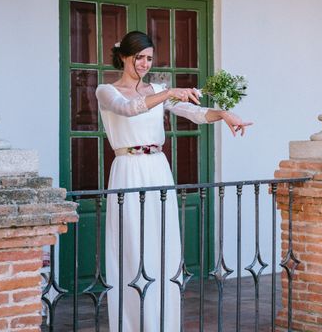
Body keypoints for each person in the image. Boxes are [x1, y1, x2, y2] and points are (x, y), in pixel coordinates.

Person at [95, 31, 252, 332]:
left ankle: (162, 323)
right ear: (124, 57)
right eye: (138, 57)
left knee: (161, 245)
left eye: (149, 58)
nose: (144, 64)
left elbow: (193, 112)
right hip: (127, 169)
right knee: (131, 246)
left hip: (158, 168)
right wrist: (168, 93)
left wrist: (224, 114)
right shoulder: (106, 91)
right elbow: (129, 109)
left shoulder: (157, 89)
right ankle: (131, 324)